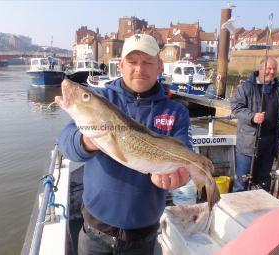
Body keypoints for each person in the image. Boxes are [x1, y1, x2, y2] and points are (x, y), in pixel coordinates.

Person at [58, 34, 192, 255]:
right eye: (132, 62)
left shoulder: (176, 112)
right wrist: (87, 141)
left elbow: (185, 156)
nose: (140, 68)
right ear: (121, 65)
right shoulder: (100, 98)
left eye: (148, 62)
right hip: (94, 233)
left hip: (143, 238)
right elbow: (66, 142)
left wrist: (181, 177)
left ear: (159, 66)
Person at [231, 57, 279, 192]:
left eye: (274, 69)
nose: (272, 72)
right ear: (261, 69)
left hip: (269, 145)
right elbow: (236, 107)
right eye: (269, 68)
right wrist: (252, 117)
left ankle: (262, 211)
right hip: (248, 145)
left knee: (264, 182)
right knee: (242, 182)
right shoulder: (246, 87)